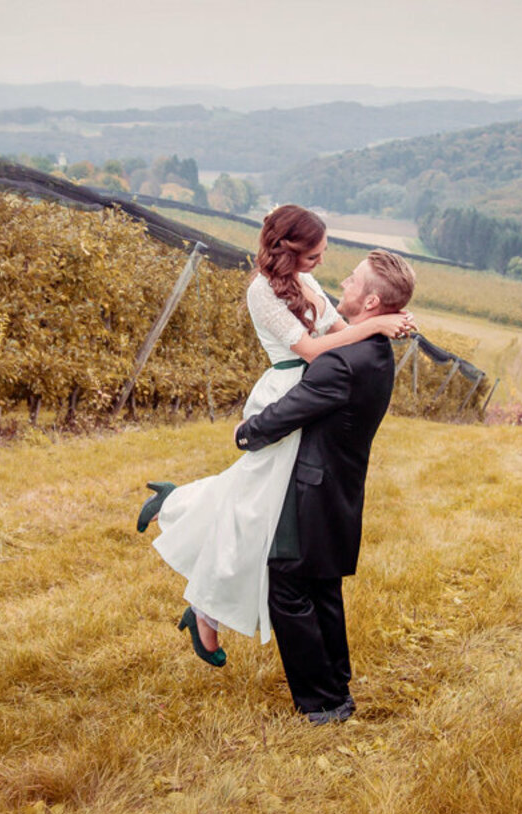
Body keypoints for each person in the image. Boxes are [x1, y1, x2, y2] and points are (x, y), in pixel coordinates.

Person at [138, 205, 413, 666]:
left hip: (311, 390)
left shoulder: (305, 283)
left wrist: (378, 324)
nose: (322, 264)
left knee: (257, 506)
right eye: (315, 255)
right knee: (255, 507)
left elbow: (341, 331)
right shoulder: (261, 292)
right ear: (290, 250)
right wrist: (375, 324)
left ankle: (202, 598)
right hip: (286, 393)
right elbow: (310, 349)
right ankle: (186, 542)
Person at [234, 248, 416, 723]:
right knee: (322, 586)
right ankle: (337, 686)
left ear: (373, 302)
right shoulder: (374, 352)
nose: (345, 285)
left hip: (311, 489)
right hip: (341, 487)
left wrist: (246, 432)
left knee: (289, 587)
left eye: (354, 281)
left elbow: (290, 411)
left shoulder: (342, 363)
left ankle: (321, 702)